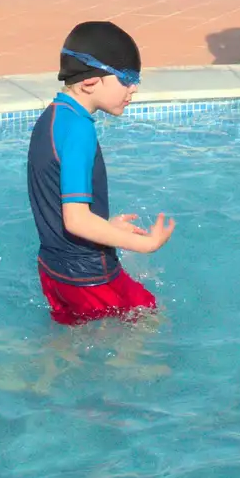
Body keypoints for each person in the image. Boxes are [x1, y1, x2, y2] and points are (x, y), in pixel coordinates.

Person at [27, 21, 176, 326]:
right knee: (147, 315)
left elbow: (57, 205)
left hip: (54, 273)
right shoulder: (80, 130)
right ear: (90, 82)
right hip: (89, 276)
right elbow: (76, 220)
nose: (133, 88)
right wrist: (145, 245)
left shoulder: (52, 118)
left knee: (69, 342)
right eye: (126, 78)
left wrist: (106, 226)